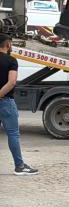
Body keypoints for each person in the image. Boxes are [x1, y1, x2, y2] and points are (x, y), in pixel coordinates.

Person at [0, 34, 37, 175]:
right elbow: (11, 82)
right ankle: (19, 166)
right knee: (13, 134)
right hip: (5, 102)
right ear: (8, 45)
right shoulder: (11, 60)